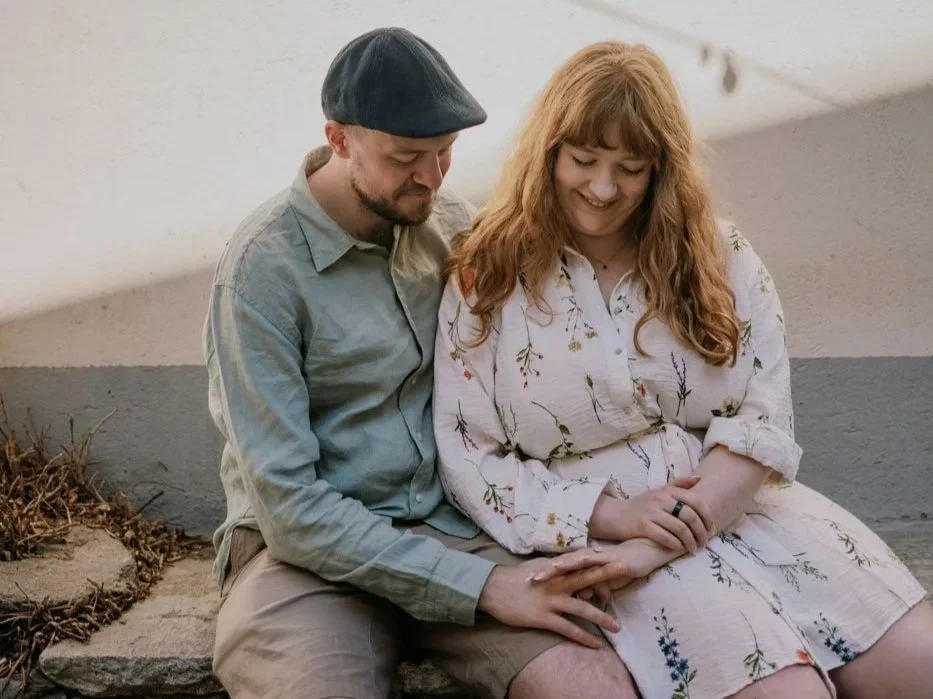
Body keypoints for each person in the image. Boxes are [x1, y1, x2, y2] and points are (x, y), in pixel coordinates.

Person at [434, 40, 933, 699]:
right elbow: (470, 452)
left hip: (741, 508)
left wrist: (657, 539)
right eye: (583, 160)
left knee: (919, 665)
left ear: (661, 168)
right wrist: (615, 518)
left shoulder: (719, 254)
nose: (603, 187)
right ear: (547, 152)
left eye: (630, 167)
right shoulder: (488, 272)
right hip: (593, 529)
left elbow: (760, 417)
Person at [204, 27, 643, 699]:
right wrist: (482, 586)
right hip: (305, 559)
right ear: (338, 137)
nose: (431, 177)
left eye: (445, 152)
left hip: (453, 524)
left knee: (595, 679)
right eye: (407, 155)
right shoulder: (262, 273)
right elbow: (289, 507)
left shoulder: (450, 224)